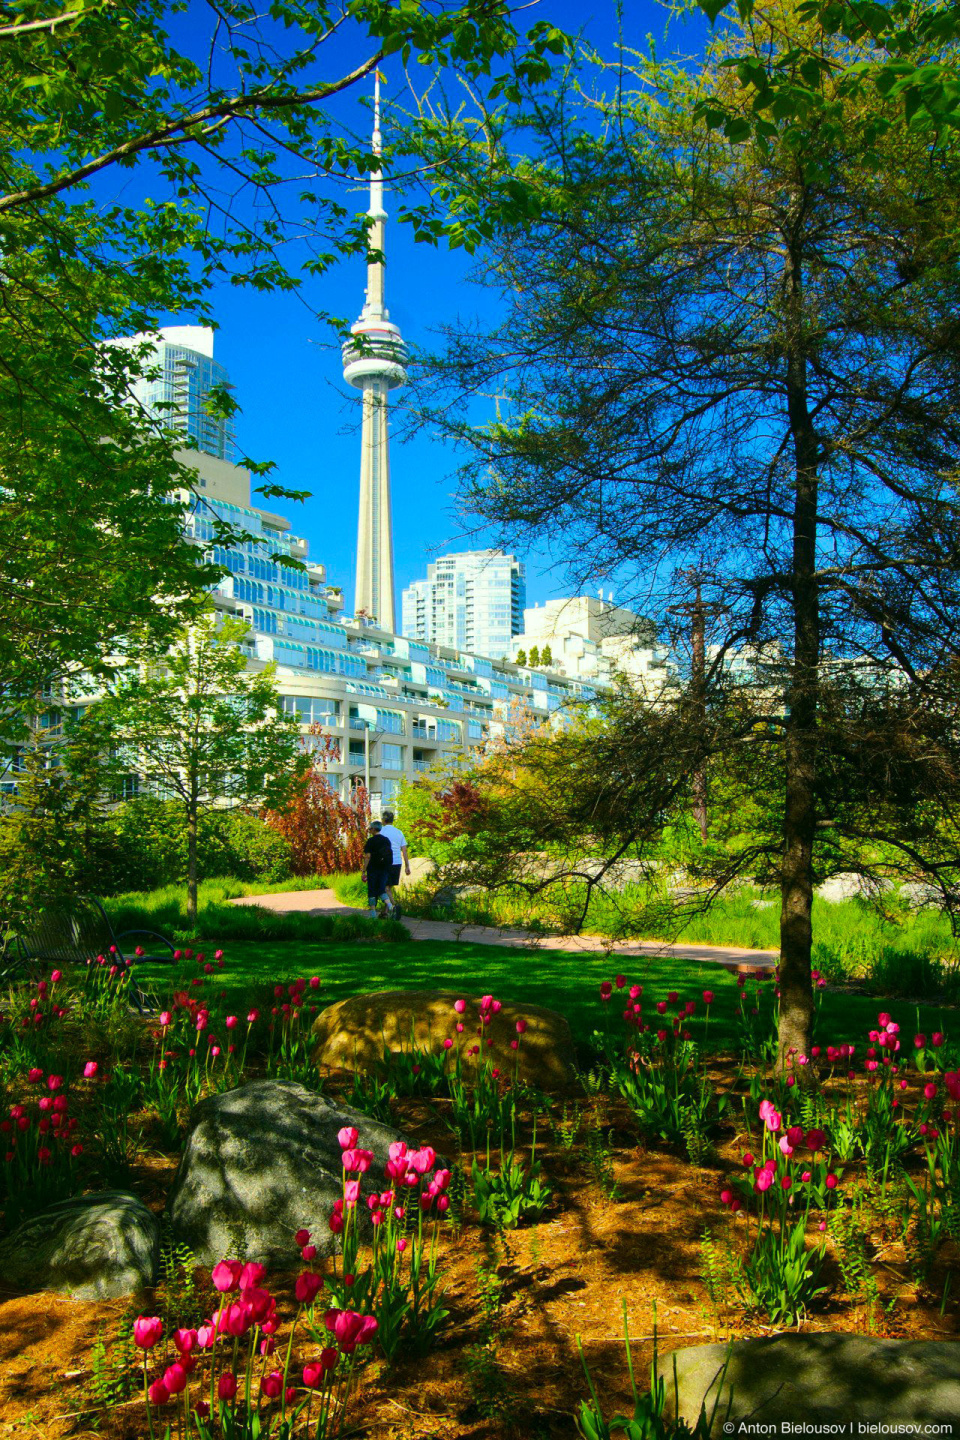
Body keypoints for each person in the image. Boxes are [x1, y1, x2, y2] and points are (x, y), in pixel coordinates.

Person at [379, 808, 411, 916]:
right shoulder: (399, 832)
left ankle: (395, 906)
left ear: (383, 820)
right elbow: (404, 849)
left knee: (384, 888)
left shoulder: (381, 832)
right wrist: (407, 866)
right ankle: (385, 912)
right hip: (397, 862)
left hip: (385, 863)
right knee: (388, 887)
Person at [361, 820, 394, 918]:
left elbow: (367, 856)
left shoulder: (371, 841)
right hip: (384, 868)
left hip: (373, 869)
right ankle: (390, 906)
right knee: (381, 889)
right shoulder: (386, 840)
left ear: (374, 829)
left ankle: (373, 914)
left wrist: (363, 870)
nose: (369, 830)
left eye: (370, 829)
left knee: (372, 890)